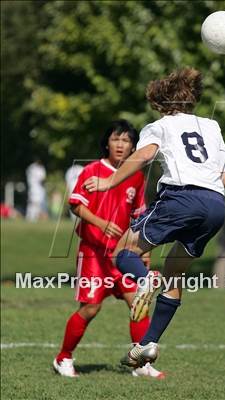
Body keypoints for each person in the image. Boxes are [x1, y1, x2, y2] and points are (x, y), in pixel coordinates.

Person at [83, 68, 225, 367]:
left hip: (181, 198)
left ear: (160, 101)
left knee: (124, 250)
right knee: (175, 273)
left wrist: (109, 182)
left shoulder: (159, 126)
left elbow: (144, 156)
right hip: (216, 205)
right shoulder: (212, 126)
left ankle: (145, 280)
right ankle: (147, 344)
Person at [53, 120, 164, 379]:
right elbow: (75, 205)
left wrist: (144, 249)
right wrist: (102, 224)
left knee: (139, 303)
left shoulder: (135, 176)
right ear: (107, 142)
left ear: (133, 147)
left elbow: (139, 215)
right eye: (116, 139)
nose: (120, 145)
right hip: (93, 253)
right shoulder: (92, 170)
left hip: (123, 254)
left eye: (126, 141)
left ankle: (141, 364)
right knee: (91, 308)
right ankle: (63, 358)